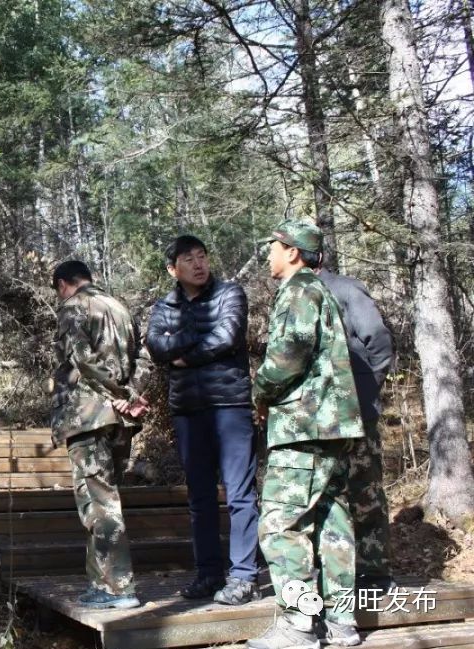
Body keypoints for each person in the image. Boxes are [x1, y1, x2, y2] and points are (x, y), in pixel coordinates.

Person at [249, 221, 365, 649]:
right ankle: (341, 622)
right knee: (332, 523)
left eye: (273, 248)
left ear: (293, 252)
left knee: (280, 523)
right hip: (332, 427)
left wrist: (259, 391)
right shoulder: (320, 291)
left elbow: (288, 357)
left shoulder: (300, 291)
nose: (268, 256)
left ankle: (298, 624)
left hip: (304, 426)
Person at [144, 235, 260, 606]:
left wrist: (182, 351)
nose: (198, 264)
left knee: (240, 494)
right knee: (200, 498)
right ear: (172, 268)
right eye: (188, 259)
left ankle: (243, 575)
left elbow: (228, 336)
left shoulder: (230, 294)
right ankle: (209, 573)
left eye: (202, 256)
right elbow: (156, 347)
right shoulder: (164, 305)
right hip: (188, 410)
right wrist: (193, 338)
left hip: (230, 404)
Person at [50, 260, 151, 610]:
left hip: (89, 417)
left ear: (64, 284)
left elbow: (81, 361)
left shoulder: (74, 308)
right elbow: (144, 358)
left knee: (99, 505)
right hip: (119, 420)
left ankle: (119, 588)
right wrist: (132, 396)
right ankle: (101, 586)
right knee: (104, 499)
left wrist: (119, 396)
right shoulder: (120, 307)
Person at [317, 264, 394, 590]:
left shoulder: (346, 288)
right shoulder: (293, 293)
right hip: (316, 419)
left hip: (357, 414)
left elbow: (378, 341)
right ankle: (332, 575)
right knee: (325, 497)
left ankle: (374, 572)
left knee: (365, 492)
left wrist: (363, 389)